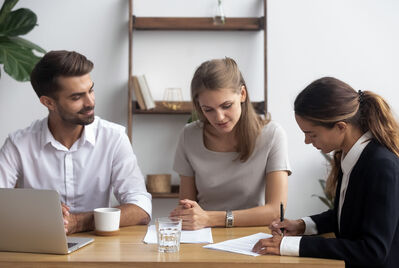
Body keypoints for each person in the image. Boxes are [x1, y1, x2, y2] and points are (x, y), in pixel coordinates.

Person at [252, 77, 399, 268]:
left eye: (311, 134)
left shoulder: (381, 166)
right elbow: (347, 216)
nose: (306, 141)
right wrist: (303, 225)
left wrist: (290, 245)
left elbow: (372, 251)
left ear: (340, 127)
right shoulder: (351, 156)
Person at [0, 50, 152, 234]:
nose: (90, 102)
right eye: (76, 97)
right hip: (39, 249)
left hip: (99, 250)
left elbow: (141, 208)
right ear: (48, 103)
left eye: (91, 90)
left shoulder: (113, 138)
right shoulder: (18, 144)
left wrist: (79, 222)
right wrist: (37, 212)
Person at [170, 57, 291, 230]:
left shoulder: (272, 135)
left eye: (226, 106)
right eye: (208, 110)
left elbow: (275, 211)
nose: (219, 117)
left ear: (242, 94)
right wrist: (192, 217)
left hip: (252, 235)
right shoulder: (188, 135)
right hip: (202, 235)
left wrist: (211, 218)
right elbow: (187, 206)